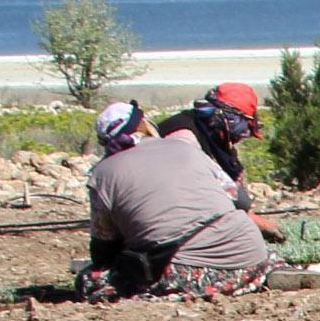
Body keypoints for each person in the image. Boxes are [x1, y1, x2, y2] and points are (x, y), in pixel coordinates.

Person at [83, 125, 278, 302]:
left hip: (187, 272)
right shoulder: (186, 148)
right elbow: (240, 200)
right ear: (144, 126)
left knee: (90, 280)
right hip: (253, 259)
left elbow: (103, 251)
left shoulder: (102, 173)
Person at [156, 82, 285, 241]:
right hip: (171, 226)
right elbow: (199, 193)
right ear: (229, 119)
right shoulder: (184, 139)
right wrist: (254, 222)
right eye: (243, 128)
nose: (241, 137)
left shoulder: (213, 135)